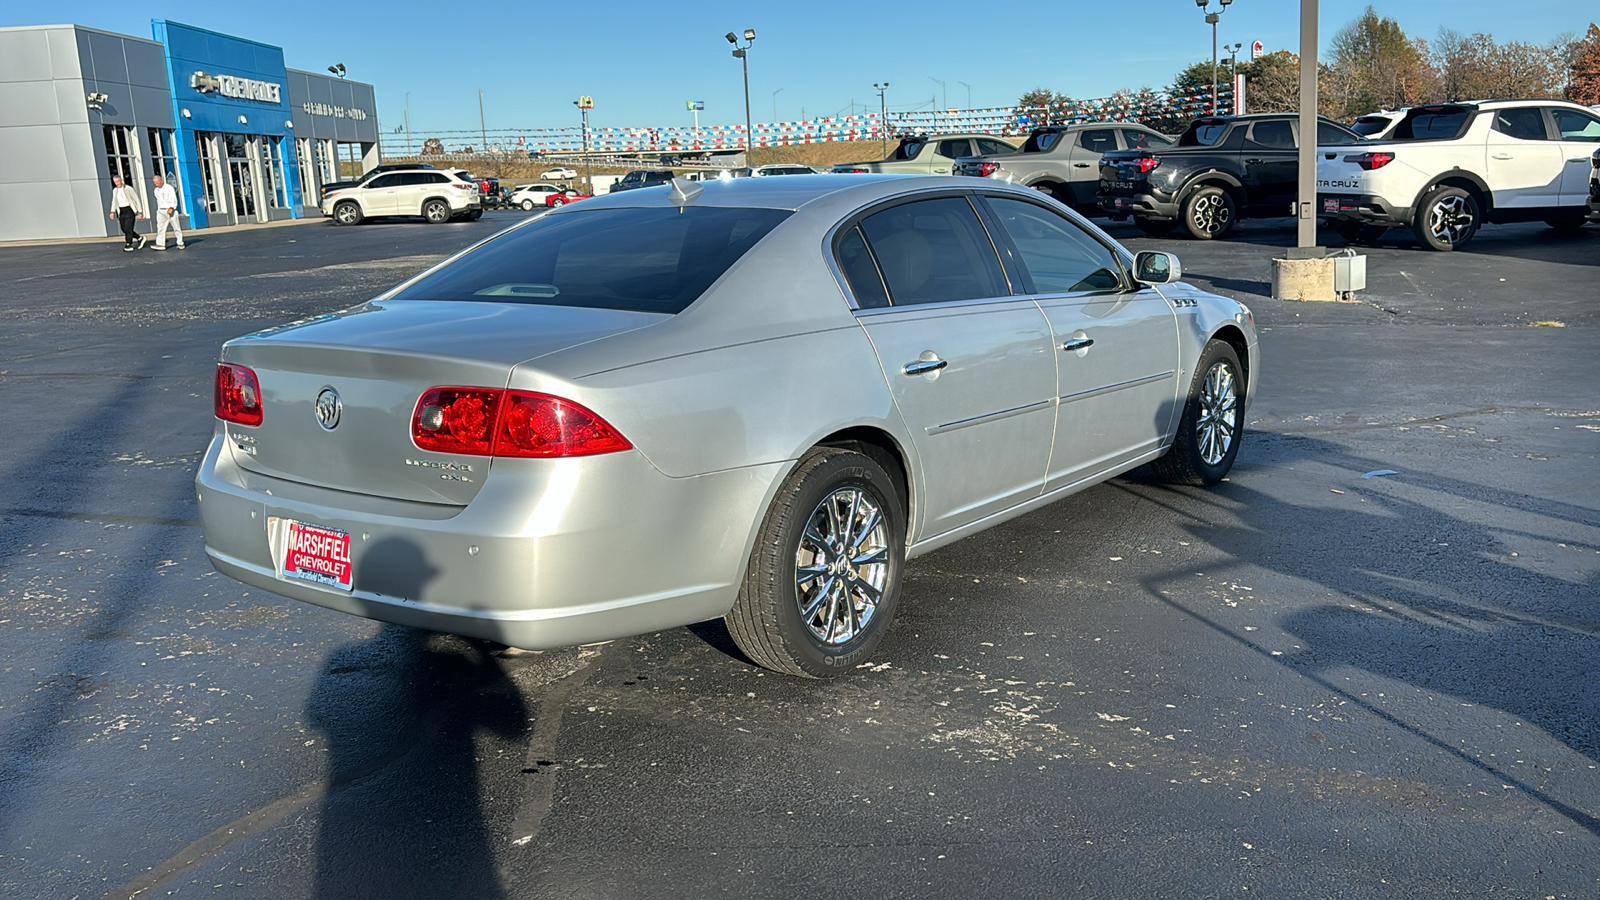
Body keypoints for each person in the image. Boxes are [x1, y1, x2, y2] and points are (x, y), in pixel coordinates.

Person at [107, 175, 144, 251]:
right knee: (124, 229)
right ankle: (139, 238)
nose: (117, 183)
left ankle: (129, 244)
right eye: (115, 182)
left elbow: (136, 200)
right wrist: (112, 211)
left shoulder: (128, 189)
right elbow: (114, 201)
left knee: (128, 227)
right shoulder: (115, 190)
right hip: (121, 210)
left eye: (118, 181)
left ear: (121, 180)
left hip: (129, 209)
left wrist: (140, 212)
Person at [150, 175, 185, 250]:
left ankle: (180, 243)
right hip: (161, 210)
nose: (156, 184)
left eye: (157, 182)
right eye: (155, 183)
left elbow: (173, 198)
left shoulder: (169, 188)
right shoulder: (156, 190)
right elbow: (159, 200)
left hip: (169, 209)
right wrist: (159, 210)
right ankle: (160, 244)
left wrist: (172, 207)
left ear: (161, 181)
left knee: (176, 227)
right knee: (160, 228)